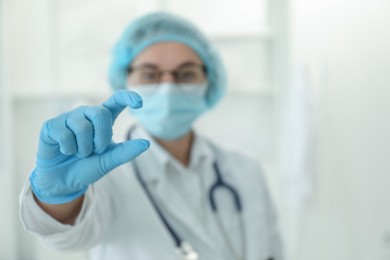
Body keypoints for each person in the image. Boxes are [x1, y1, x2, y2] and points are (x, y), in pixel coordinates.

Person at [19, 12, 284, 260]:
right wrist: (57, 199)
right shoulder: (103, 177)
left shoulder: (247, 169)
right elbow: (70, 237)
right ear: (124, 81)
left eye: (186, 74)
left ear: (209, 82)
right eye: (149, 74)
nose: (168, 86)